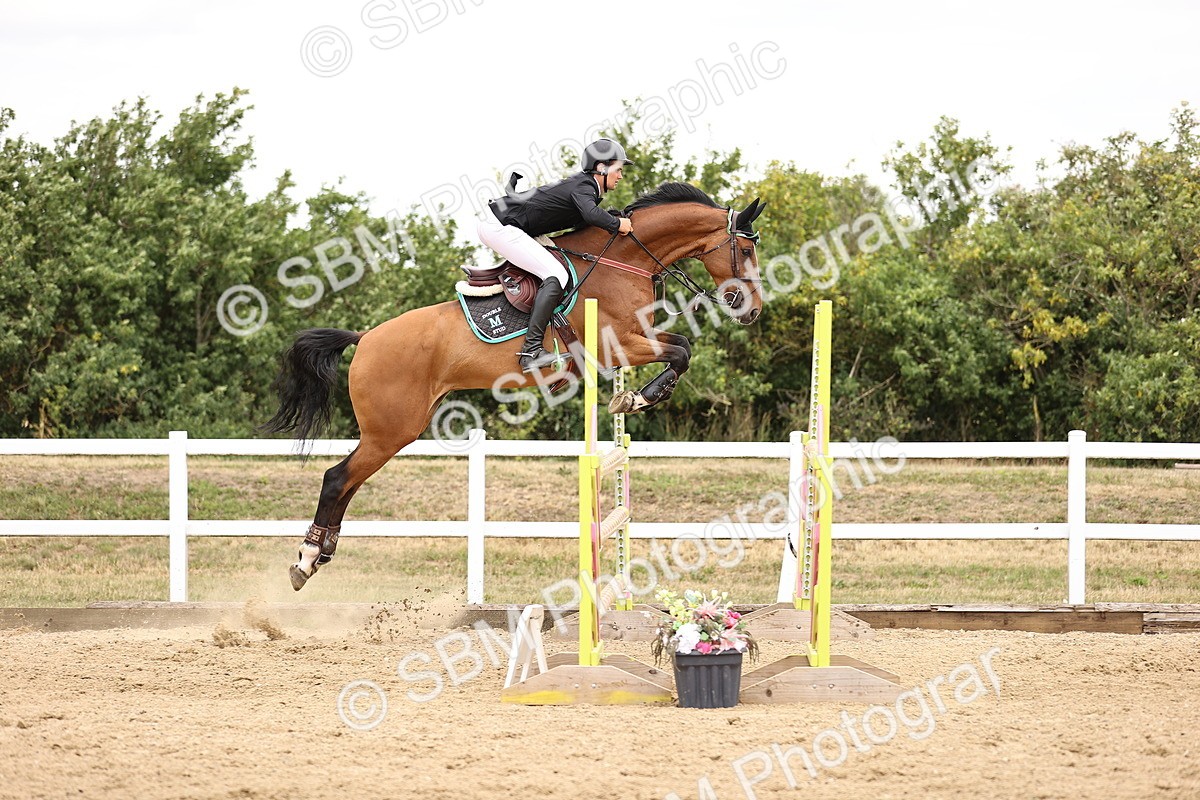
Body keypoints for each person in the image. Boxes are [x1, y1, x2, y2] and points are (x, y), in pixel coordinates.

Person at [477, 138, 634, 372]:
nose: (620, 176)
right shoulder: (585, 186)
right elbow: (591, 215)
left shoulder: (586, 187)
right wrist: (617, 223)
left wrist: (613, 217)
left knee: (557, 269)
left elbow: (586, 222)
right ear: (601, 168)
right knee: (556, 274)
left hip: (507, 225)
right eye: (618, 169)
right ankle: (530, 351)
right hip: (500, 227)